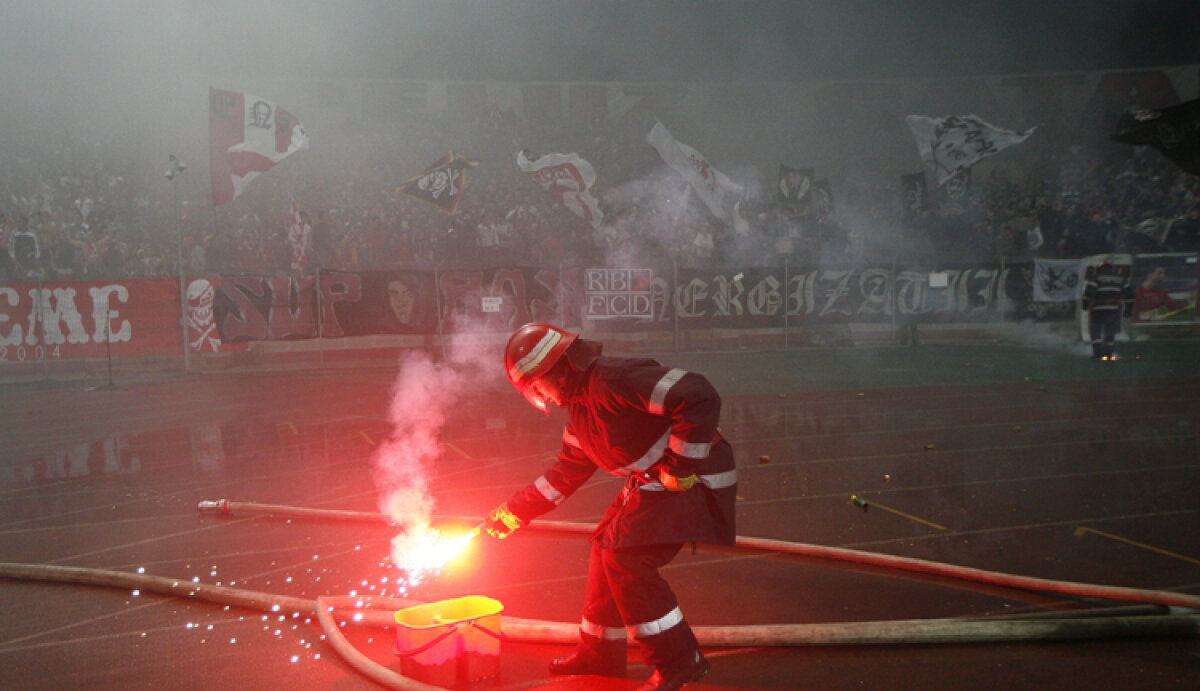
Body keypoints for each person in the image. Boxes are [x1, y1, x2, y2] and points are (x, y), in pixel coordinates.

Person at [484, 322, 737, 690]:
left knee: (626, 558)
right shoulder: (582, 411)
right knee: (605, 547)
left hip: (695, 479)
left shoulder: (614, 381)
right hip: (654, 482)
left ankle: (680, 661)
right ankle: (599, 653)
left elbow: (698, 394)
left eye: (538, 386)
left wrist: (681, 466)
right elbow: (564, 474)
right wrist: (513, 513)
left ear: (558, 369)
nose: (543, 397)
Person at [1081, 258, 1133, 360]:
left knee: (1095, 331)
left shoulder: (1096, 278)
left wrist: (1085, 306)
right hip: (1114, 309)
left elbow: (1088, 293)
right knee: (1110, 332)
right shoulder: (1120, 278)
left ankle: (1097, 354)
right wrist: (1128, 310)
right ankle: (1108, 354)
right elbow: (1130, 295)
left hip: (1098, 309)